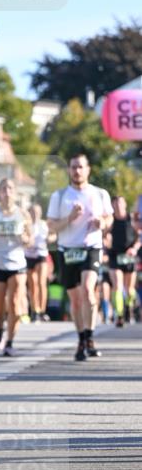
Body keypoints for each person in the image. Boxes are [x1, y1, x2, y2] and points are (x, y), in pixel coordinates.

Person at [47, 154, 113, 361]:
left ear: (88, 169)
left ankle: (90, 336)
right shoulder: (59, 196)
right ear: (69, 170)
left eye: (81, 167)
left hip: (91, 247)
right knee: (75, 301)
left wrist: (101, 223)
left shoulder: (100, 194)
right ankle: (81, 338)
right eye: (73, 167)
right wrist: (70, 218)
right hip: (67, 250)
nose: (77, 171)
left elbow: (109, 217)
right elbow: (52, 226)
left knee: (88, 290)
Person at [0, 178, 33, 356]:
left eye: (10, 188)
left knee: (16, 305)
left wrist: (23, 239)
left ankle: (10, 341)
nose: (7, 191)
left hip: (17, 264)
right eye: (3, 188)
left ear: (15, 192)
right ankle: (0, 328)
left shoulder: (24, 214)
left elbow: (30, 241)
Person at [108, 195, 139, 326]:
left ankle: (128, 308)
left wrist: (135, 248)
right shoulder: (110, 220)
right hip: (115, 255)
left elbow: (139, 237)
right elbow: (104, 235)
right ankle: (119, 314)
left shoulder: (132, 219)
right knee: (117, 286)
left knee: (130, 289)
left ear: (125, 204)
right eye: (115, 204)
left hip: (129, 256)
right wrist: (106, 241)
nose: (118, 206)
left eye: (120, 203)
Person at [24, 203, 52, 322]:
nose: (34, 214)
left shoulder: (44, 225)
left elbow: (53, 235)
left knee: (41, 283)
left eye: (36, 212)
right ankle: (34, 310)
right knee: (32, 285)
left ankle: (42, 310)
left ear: (40, 213)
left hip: (41, 255)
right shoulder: (25, 225)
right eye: (32, 212)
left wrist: (50, 239)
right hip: (29, 256)